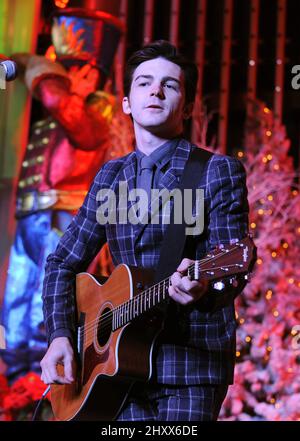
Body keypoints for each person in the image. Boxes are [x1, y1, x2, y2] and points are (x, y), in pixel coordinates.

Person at [40, 40, 249, 421]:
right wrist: (59, 335)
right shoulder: (110, 177)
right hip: (111, 370)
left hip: (188, 366)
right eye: (144, 83)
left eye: (170, 85)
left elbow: (232, 267)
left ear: (187, 107)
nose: (156, 90)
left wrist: (205, 288)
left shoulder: (216, 171)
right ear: (126, 102)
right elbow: (60, 263)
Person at [0, 8, 124, 380]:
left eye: (68, 69)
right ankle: (12, 378)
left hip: (64, 215)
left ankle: (40, 381)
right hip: (31, 214)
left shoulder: (97, 107)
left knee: (46, 302)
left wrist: (34, 65)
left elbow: (60, 104)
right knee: (15, 300)